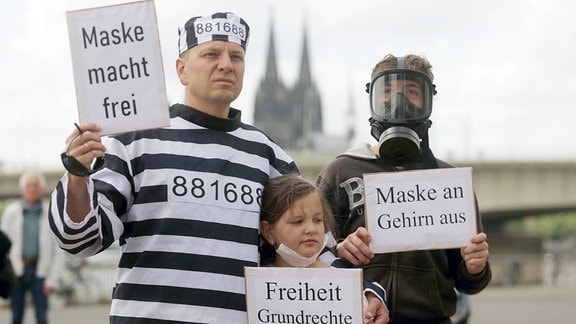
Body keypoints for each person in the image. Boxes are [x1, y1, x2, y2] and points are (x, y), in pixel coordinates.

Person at [48, 12, 379, 323]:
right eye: (211, 55)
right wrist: (78, 176)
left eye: (236, 57)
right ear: (181, 69)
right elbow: (81, 240)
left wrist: (365, 293)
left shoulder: (269, 155)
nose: (226, 65)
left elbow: (310, 246)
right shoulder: (133, 141)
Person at [316, 54, 492, 323]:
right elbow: (310, 255)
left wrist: (475, 267)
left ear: (428, 102)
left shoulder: (449, 181)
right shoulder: (340, 172)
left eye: (411, 91)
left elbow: (469, 283)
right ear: (372, 100)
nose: (398, 101)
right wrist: (340, 249)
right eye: (387, 91)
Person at [259, 174, 389, 324]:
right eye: (297, 221)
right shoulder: (255, 283)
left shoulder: (345, 283)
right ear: (268, 231)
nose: (311, 229)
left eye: (317, 220)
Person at [1, 173, 65, 324]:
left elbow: (59, 249)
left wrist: (53, 279)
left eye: (35, 186)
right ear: (22, 189)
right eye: (28, 186)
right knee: (16, 317)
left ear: (42, 189)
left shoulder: (51, 211)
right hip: (16, 271)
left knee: (42, 318)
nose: (32, 189)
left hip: (41, 273)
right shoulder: (11, 212)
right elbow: (2, 246)